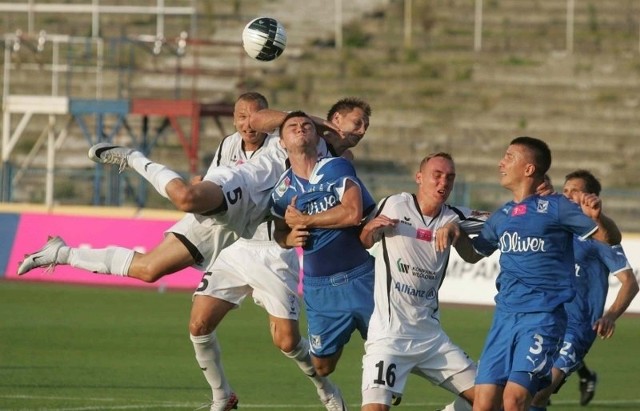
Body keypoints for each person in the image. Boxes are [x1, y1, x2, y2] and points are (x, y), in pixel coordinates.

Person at [17, 92, 365, 411]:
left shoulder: (335, 157)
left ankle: (325, 389)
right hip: (232, 223)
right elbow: (255, 128)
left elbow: (328, 197)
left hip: (268, 247)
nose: (360, 130)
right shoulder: (278, 133)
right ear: (332, 120)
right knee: (179, 299)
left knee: (288, 342)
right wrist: (307, 121)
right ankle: (221, 397)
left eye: (364, 126)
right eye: (356, 122)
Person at [446, 137, 620, 411]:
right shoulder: (502, 214)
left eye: (509, 157)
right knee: (483, 404)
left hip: (542, 319)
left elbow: (610, 238)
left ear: (528, 169)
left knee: (514, 400)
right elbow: (473, 254)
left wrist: (598, 217)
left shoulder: (558, 208)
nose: (501, 163)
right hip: (503, 319)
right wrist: (455, 233)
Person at [357, 152, 489, 411]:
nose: (443, 183)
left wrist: (457, 230)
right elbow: (364, 240)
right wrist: (369, 231)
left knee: (489, 400)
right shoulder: (395, 204)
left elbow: (500, 220)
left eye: (450, 178)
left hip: (431, 338)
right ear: (419, 178)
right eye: (437, 176)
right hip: (389, 337)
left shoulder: (453, 217)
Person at [271, 110, 377, 380]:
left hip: (362, 278)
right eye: (291, 126)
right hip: (320, 289)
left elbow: (353, 213)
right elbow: (280, 232)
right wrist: (290, 238)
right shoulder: (282, 191)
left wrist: (307, 220)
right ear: (282, 143)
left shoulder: (335, 167)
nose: (300, 128)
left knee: (388, 347)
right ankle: (342, 330)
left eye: (306, 124)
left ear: (317, 137)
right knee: (322, 367)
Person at [529, 170, 638, 411]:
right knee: (524, 394)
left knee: (538, 395)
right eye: (565, 190)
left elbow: (630, 282)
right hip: (546, 321)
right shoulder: (559, 227)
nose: (567, 195)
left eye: (574, 191)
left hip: (577, 329)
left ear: (590, 198)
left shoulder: (600, 237)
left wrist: (609, 316)